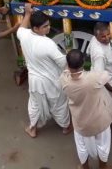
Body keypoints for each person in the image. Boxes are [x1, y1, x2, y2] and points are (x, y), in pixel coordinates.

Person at [61, 49, 112, 169]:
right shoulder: (94, 78)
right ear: (83, 62)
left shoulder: (64, 79)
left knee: (81, 146)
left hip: (80, 121)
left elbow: (66, 69)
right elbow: (106, 77)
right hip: (99, 120)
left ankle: (85, 167)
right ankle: (103, 167)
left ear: (68, 64)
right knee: (103, 145)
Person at [17, 9, 72, 138]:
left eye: (48, 24)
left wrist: (27, 13)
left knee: (35, 105)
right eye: (45, 26)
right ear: (36, 28)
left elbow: (21, 27)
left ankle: (32, 129)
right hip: (51, 81)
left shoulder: (24, 35)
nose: (49, 28)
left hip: (34, 81)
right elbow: (62, 62)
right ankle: (65, 127)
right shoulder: (48, 44)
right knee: (59, 104)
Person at [88, 22, 112, 140]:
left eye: (108, 34)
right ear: (96, 36)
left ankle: (110, 133)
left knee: (110, 108)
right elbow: (100, 77)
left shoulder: (94, 40)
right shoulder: (99, 54)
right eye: (103, 37)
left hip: (110, 78)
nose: (107, 38)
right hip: (107, 83)